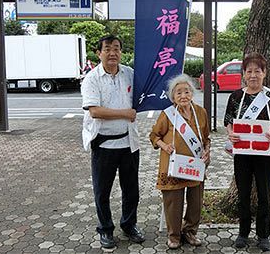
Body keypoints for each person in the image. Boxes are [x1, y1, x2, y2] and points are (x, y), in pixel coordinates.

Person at [81, 35, 145, 249]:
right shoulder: (92, 78)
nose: (112, 53)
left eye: (116, 48)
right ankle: (106, 230)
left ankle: (129, 225)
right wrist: (126, 113)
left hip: (129, 144)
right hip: (103, 145)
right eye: (107, 49)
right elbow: (95, 111)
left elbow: (145, 94)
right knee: (102, 191)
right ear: (99, 53)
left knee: (131, 190)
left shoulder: (130, 74)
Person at [224, 52, 270, 251]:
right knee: (243, 194)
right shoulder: (236, 96)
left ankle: (263, 235)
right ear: (243, 74)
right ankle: (243, 232)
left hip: (265, 154)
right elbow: (229, 123)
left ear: (265, 73)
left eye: (257, 71)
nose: (253, 75)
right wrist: (231, 135)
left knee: (265, 195)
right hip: (242, 153)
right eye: (249, 71)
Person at [149, 74, 211, 249]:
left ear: (192, 93)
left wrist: (206, 151)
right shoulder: (168, 115)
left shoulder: (201, 112)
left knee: (195, 203)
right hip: (173, 166)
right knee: (173, 203)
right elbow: (154, 135)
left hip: (194, 166)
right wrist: (164, 145)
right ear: (173, 97)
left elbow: (206, 138)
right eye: (178, 93)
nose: (183, 96)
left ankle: (190, 232)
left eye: (186, 91)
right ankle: (174, 236)